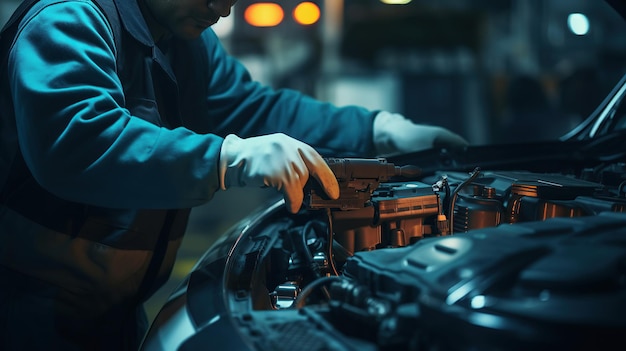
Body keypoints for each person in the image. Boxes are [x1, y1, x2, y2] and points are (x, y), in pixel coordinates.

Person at [0, 0, 467, 349]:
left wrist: (377, 130)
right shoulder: (69, 19)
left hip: (111, 313)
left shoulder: (188, 41)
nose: (221, 10)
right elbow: (78, 143)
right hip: (25, 313)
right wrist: (226, 159)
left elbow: (253, 107)